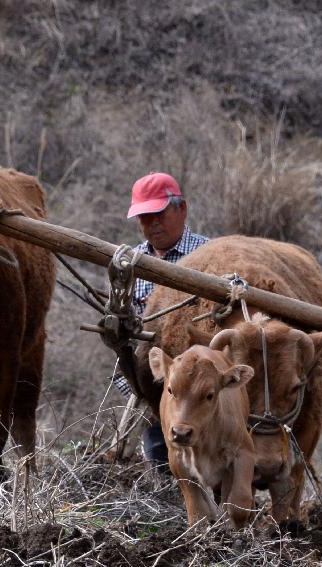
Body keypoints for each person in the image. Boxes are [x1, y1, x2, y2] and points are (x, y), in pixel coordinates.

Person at [115, 172, 209, 467]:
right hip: (155, 381)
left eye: (159, 213)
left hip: (203, 382)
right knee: (161, 457)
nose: (152, 224)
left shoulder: (211, 256)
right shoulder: (129, 264)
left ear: (182, 209)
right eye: (144, 217)